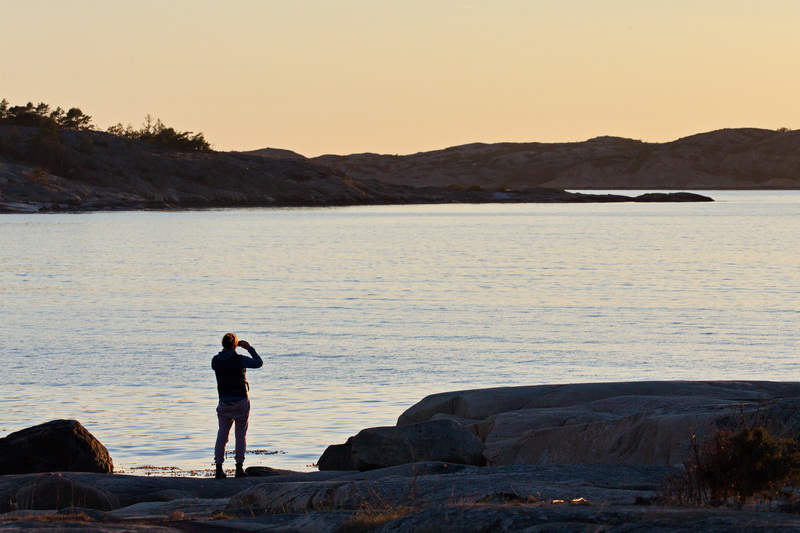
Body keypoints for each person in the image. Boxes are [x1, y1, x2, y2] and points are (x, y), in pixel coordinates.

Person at [212, 332, 263, 479]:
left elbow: (222, 364)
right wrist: (248, 348)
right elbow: (258, 363)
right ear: (235, 345)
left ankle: (218, 469)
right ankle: (239, 469)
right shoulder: (239, 359)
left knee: (222, 435)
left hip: (223, 402)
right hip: (240, 401)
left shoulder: (215, 360)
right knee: (240, 435)